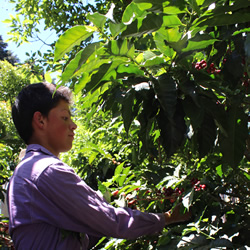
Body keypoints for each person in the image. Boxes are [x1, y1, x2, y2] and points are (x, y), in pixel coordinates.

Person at [7, 82, 191, 249]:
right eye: (65, 117)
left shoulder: (26, 171)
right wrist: (167, 218)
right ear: (40, 120)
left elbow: (86, 234)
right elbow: (110, 221)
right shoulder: (46, 170)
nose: (74, 125)